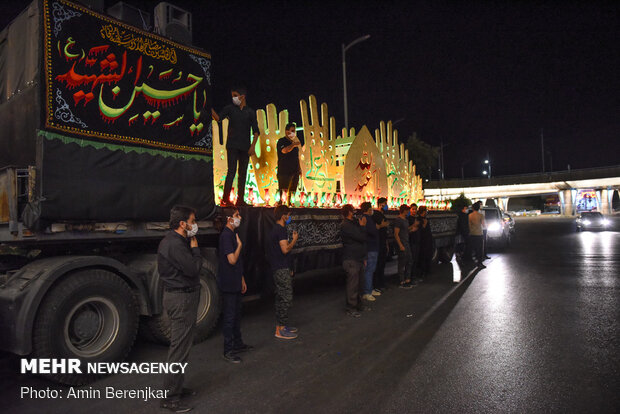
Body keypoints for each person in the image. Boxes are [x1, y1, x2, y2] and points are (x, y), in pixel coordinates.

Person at [157, 205, 202, 413]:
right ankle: (170, 397)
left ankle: (176, 387)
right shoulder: (175, 245)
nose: (195, 225)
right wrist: (195, 248)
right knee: (179, 349)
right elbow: (193, 269)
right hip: (181, 299)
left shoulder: (175, 242)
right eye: (192, 221)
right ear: (183, 224)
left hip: (182, 297)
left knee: (182, 348)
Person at [212, 86, 260, 207]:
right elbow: (218, 118)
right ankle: (225, 199)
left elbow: (256, 131)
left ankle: (240, 200)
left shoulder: (250, 112)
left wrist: (253, 146)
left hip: (245, 146)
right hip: (232, 145)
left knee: (243, 174)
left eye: (235, 95)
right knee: (231, 171)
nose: (233, 98)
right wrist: (210, 109)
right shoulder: (230, 108)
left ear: (242, 97)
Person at [217, 208, 253, 363]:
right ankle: (228, 350)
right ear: (229, 219)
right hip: (229, 283)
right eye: (237, 215)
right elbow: (232, 259)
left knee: (237, 315)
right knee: (230, 317)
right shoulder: (226, 236)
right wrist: (239, 246)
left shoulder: (232, 234)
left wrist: (242, 279)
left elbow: (237, 263)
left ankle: (238, 344)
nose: (240, 217)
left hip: (236, 281)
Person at [269, 205, 299, 339]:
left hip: (280, 267)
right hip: (280, 268)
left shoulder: (278, 229)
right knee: (286, 297)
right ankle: (280, 329)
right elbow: (285, 250)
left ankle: (283, 325)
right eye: (288, 214)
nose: (289, 217)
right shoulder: (280, 230)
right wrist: (294, 240)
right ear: (283, 216)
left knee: (281, 296)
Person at [340, 204, 368, 317]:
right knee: (353, 284)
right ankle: (351, 308)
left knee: (360, 283)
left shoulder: (354, 223)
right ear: (349, 212)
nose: (355, 212)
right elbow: (361, 237)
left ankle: (359, 305)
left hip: (359, 257)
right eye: (353, 210)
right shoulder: (345, 225)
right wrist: (362, 227)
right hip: (351, 258)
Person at [276, 123, 302, 205]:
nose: (293, 133)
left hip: (295, 171)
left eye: (294, 131)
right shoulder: (281, 141)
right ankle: (281, 208)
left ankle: (291, 206)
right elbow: (284, 150)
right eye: (292, 131)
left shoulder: (294, 144)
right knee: (283, 191)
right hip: (284, 171)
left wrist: (299, 169)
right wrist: (293, 145)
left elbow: (296, 157)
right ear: (287, 131)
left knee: (293, 191)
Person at [360, 202, 380, 301]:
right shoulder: (366, 219)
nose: (372, 210)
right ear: (368, 210)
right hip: (370, 248)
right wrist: (377, 228)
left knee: (371, 270)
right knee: (369, 270)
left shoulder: (368, 219)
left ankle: (370, 289)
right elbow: (372, 231)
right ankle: (366, 292)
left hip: (373, 247)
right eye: (371, 208)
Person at [372, 197, 390, 292]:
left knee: (382, 264)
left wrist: (387, 244)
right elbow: (381, 225)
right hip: (378, 242)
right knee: (378, 265)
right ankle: (376, 284)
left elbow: (385, 224)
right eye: (384, 204)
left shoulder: (383, 215)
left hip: (383, 242)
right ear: (380, 204)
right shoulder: (376, 214)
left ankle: (381, 283)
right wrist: (384, 224)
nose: (386, 205)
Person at [393, 204, 413, 289]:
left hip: (407, 242)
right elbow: (396, 234)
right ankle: (401, 281)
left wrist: (412, 228)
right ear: (404, 210)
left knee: (409, 261)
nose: (408, 211)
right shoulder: (398, 220)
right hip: (402, 243)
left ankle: (407, 279)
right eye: (407, 210)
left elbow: (406, 230)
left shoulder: (406, 220)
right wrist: (400, 245)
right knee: (402, 263)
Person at [417, 206, 434, 278]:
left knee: (428, 255)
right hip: (423, 240)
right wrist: (424, 224)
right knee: (422, 256)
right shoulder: (418, 219)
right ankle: (422, 272)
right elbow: (420, 230)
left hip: (428, 240)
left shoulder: (426, 219)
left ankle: (428, 270)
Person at [468, 202, 486, 268]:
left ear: (473, 208)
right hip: (479, 233)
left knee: (473, 248)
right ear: (478, 208)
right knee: (480, 249)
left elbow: (469, 225)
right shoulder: (481, 215)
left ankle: (473, 261)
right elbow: (483, 225)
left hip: (472, 233)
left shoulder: (469, 215)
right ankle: (479, 263)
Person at [408, 203, 421, 283]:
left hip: (417, 241)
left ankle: (415, 275)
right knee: (411, 260)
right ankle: (410, 277)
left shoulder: (418, 218)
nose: (414, 211)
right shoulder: (408, 218)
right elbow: (407, 229)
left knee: (416, 259)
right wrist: (413, 225)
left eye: (415, 209)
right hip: (411, 241)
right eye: (413, 209)